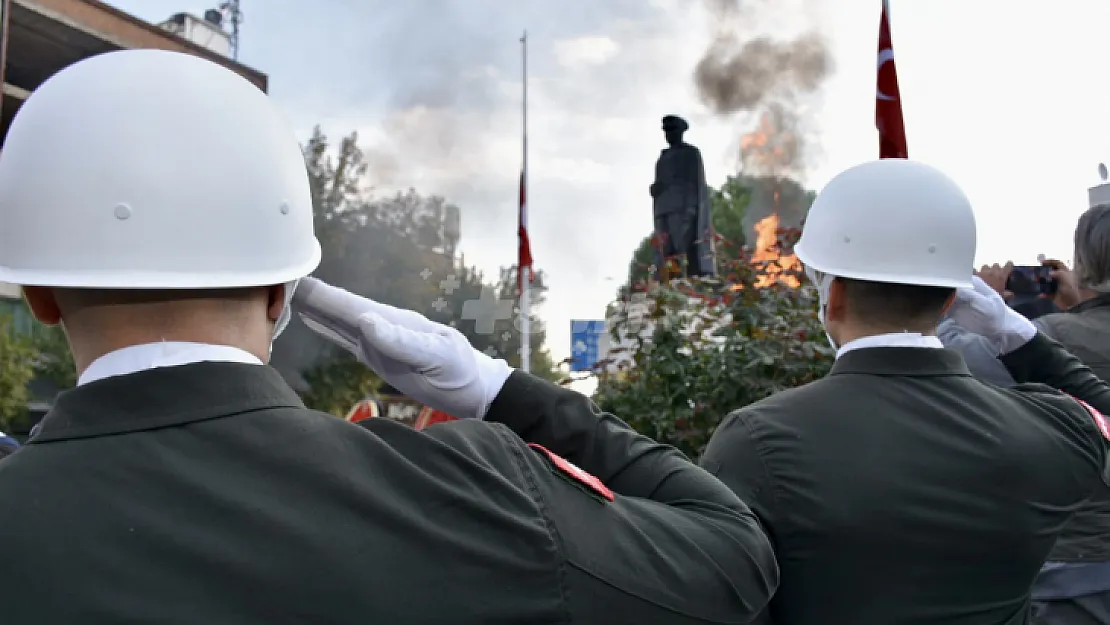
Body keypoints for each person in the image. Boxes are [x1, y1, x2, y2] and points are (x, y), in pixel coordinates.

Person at [0, 49, 777, 624]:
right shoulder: (478, 493)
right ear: (283, 290)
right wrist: (496, 389)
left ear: (36, 292)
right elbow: (733, 555)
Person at [699, 158, 1110, 625]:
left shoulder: (756, 441)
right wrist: (1016, 335)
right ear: (954, 299)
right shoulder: (1050, 428)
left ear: (832, 297)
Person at [975, 204, 1110, 624]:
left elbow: (954, 364)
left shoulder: (1054, 340)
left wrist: (990, 304)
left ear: (1083, 263)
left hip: (1082, 570)